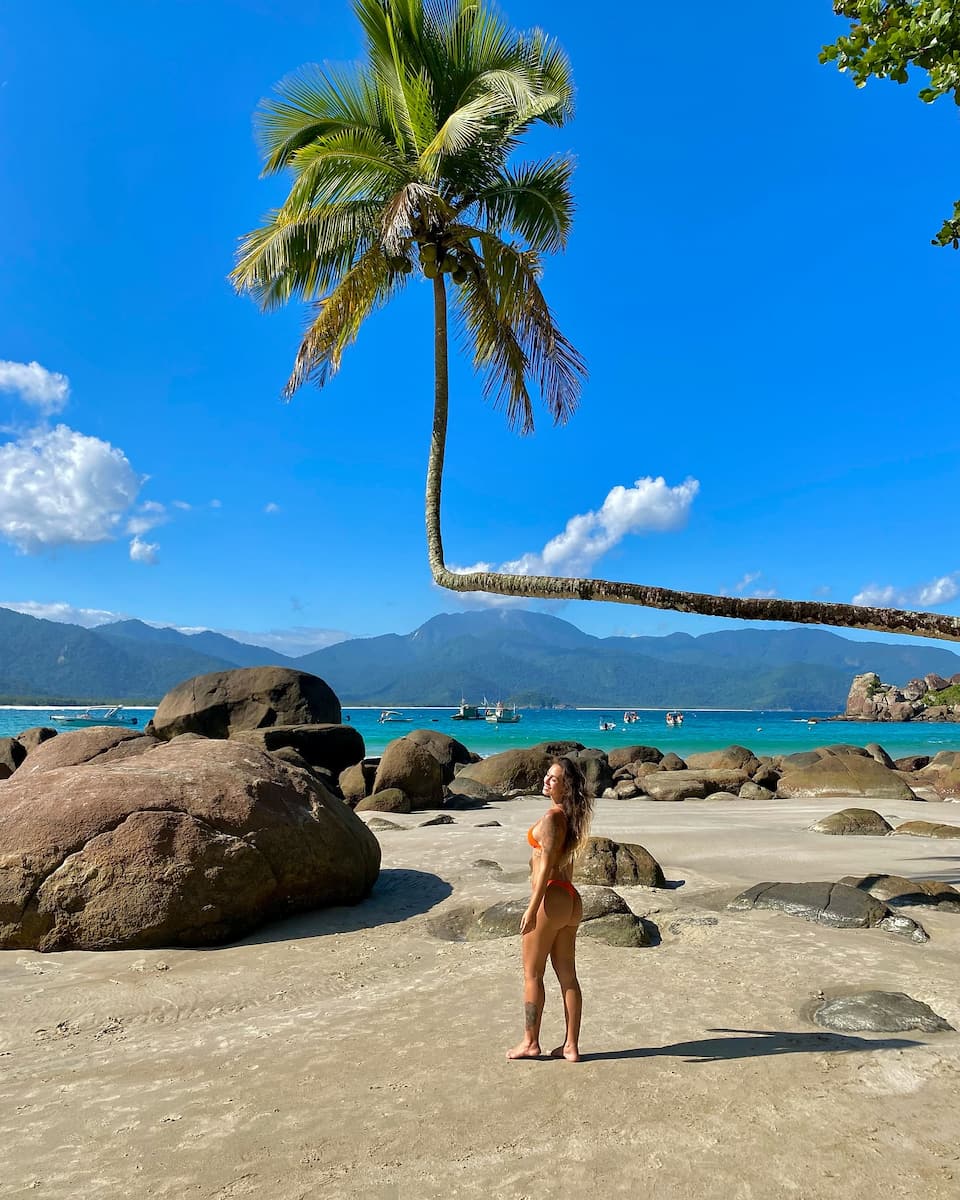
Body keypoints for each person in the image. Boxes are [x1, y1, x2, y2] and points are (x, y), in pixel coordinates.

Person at [507, 757, 594, 1063]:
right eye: (546, 776)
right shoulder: (571, 819)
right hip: (570, 900)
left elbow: (544, 868)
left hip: (550, 898)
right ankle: (570, 1046)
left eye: (553, 779)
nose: (546, 781)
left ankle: (530, 1042)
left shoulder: (551, 818)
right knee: (568, 976)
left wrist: (531, 909)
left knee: (533, 973)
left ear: (565, 786)